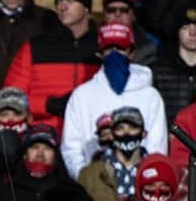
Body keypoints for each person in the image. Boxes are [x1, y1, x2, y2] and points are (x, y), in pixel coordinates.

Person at [61, 22, 168, 178]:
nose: (114, 55)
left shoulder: (151, 97)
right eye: (109, 49)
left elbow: (157, 148)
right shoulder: (81, 96)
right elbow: (71, 148)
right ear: (100, 54)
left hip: (140, 188)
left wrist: (144, 182)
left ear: (131, 53)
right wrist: (87, 180)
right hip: (94, 190)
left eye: (120, 49)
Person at [3, 0, 101, 134]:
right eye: (60, 1)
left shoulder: (102, 48)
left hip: (91, 135)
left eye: (71, 0)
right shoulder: (36, 46)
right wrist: (47, 105)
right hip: (42, 137)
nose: (63, 6)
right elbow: (10, 100)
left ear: (87, 8)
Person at [78, 106, 153, 201]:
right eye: (120, 128)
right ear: (112, 135)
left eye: (133, 127)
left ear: (144, 133)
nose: (126, 133)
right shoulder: (89, 174)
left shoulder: (157, 171)